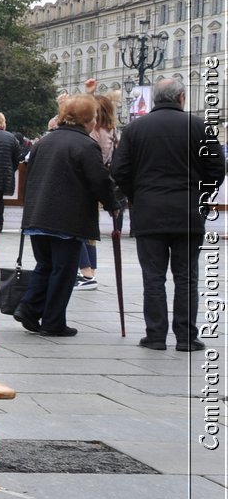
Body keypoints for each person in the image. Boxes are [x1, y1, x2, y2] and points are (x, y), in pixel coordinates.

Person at [111, 77, 226, 352]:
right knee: (187, 276)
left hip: (149, 212)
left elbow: (119, 171)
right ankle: (186, 337)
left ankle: (155, 335)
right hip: (188, 211)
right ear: (182, 98)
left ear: (155, 99)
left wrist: (137, 194)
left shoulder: (135, 129)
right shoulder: (200, 127)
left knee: (153, 277)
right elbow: (217, 168)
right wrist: (202, 194)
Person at [14, 92, 118, 338]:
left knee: (45, 264)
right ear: (87, 120)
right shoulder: (85, 145)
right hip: (67, 219)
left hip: (38, 216)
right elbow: (99, 181)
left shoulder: (44, 142)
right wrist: (113, 203)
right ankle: (53, 321)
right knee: (64, 271)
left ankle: (29, 307)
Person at [76, 81, 119, 289]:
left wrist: (88, 95)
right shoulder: (111, 130)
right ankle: (90, 269)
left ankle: (86, 273)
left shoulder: (94, 132)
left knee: (76, 230)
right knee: (89, 230)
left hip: (83, 182)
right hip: (99, 180)